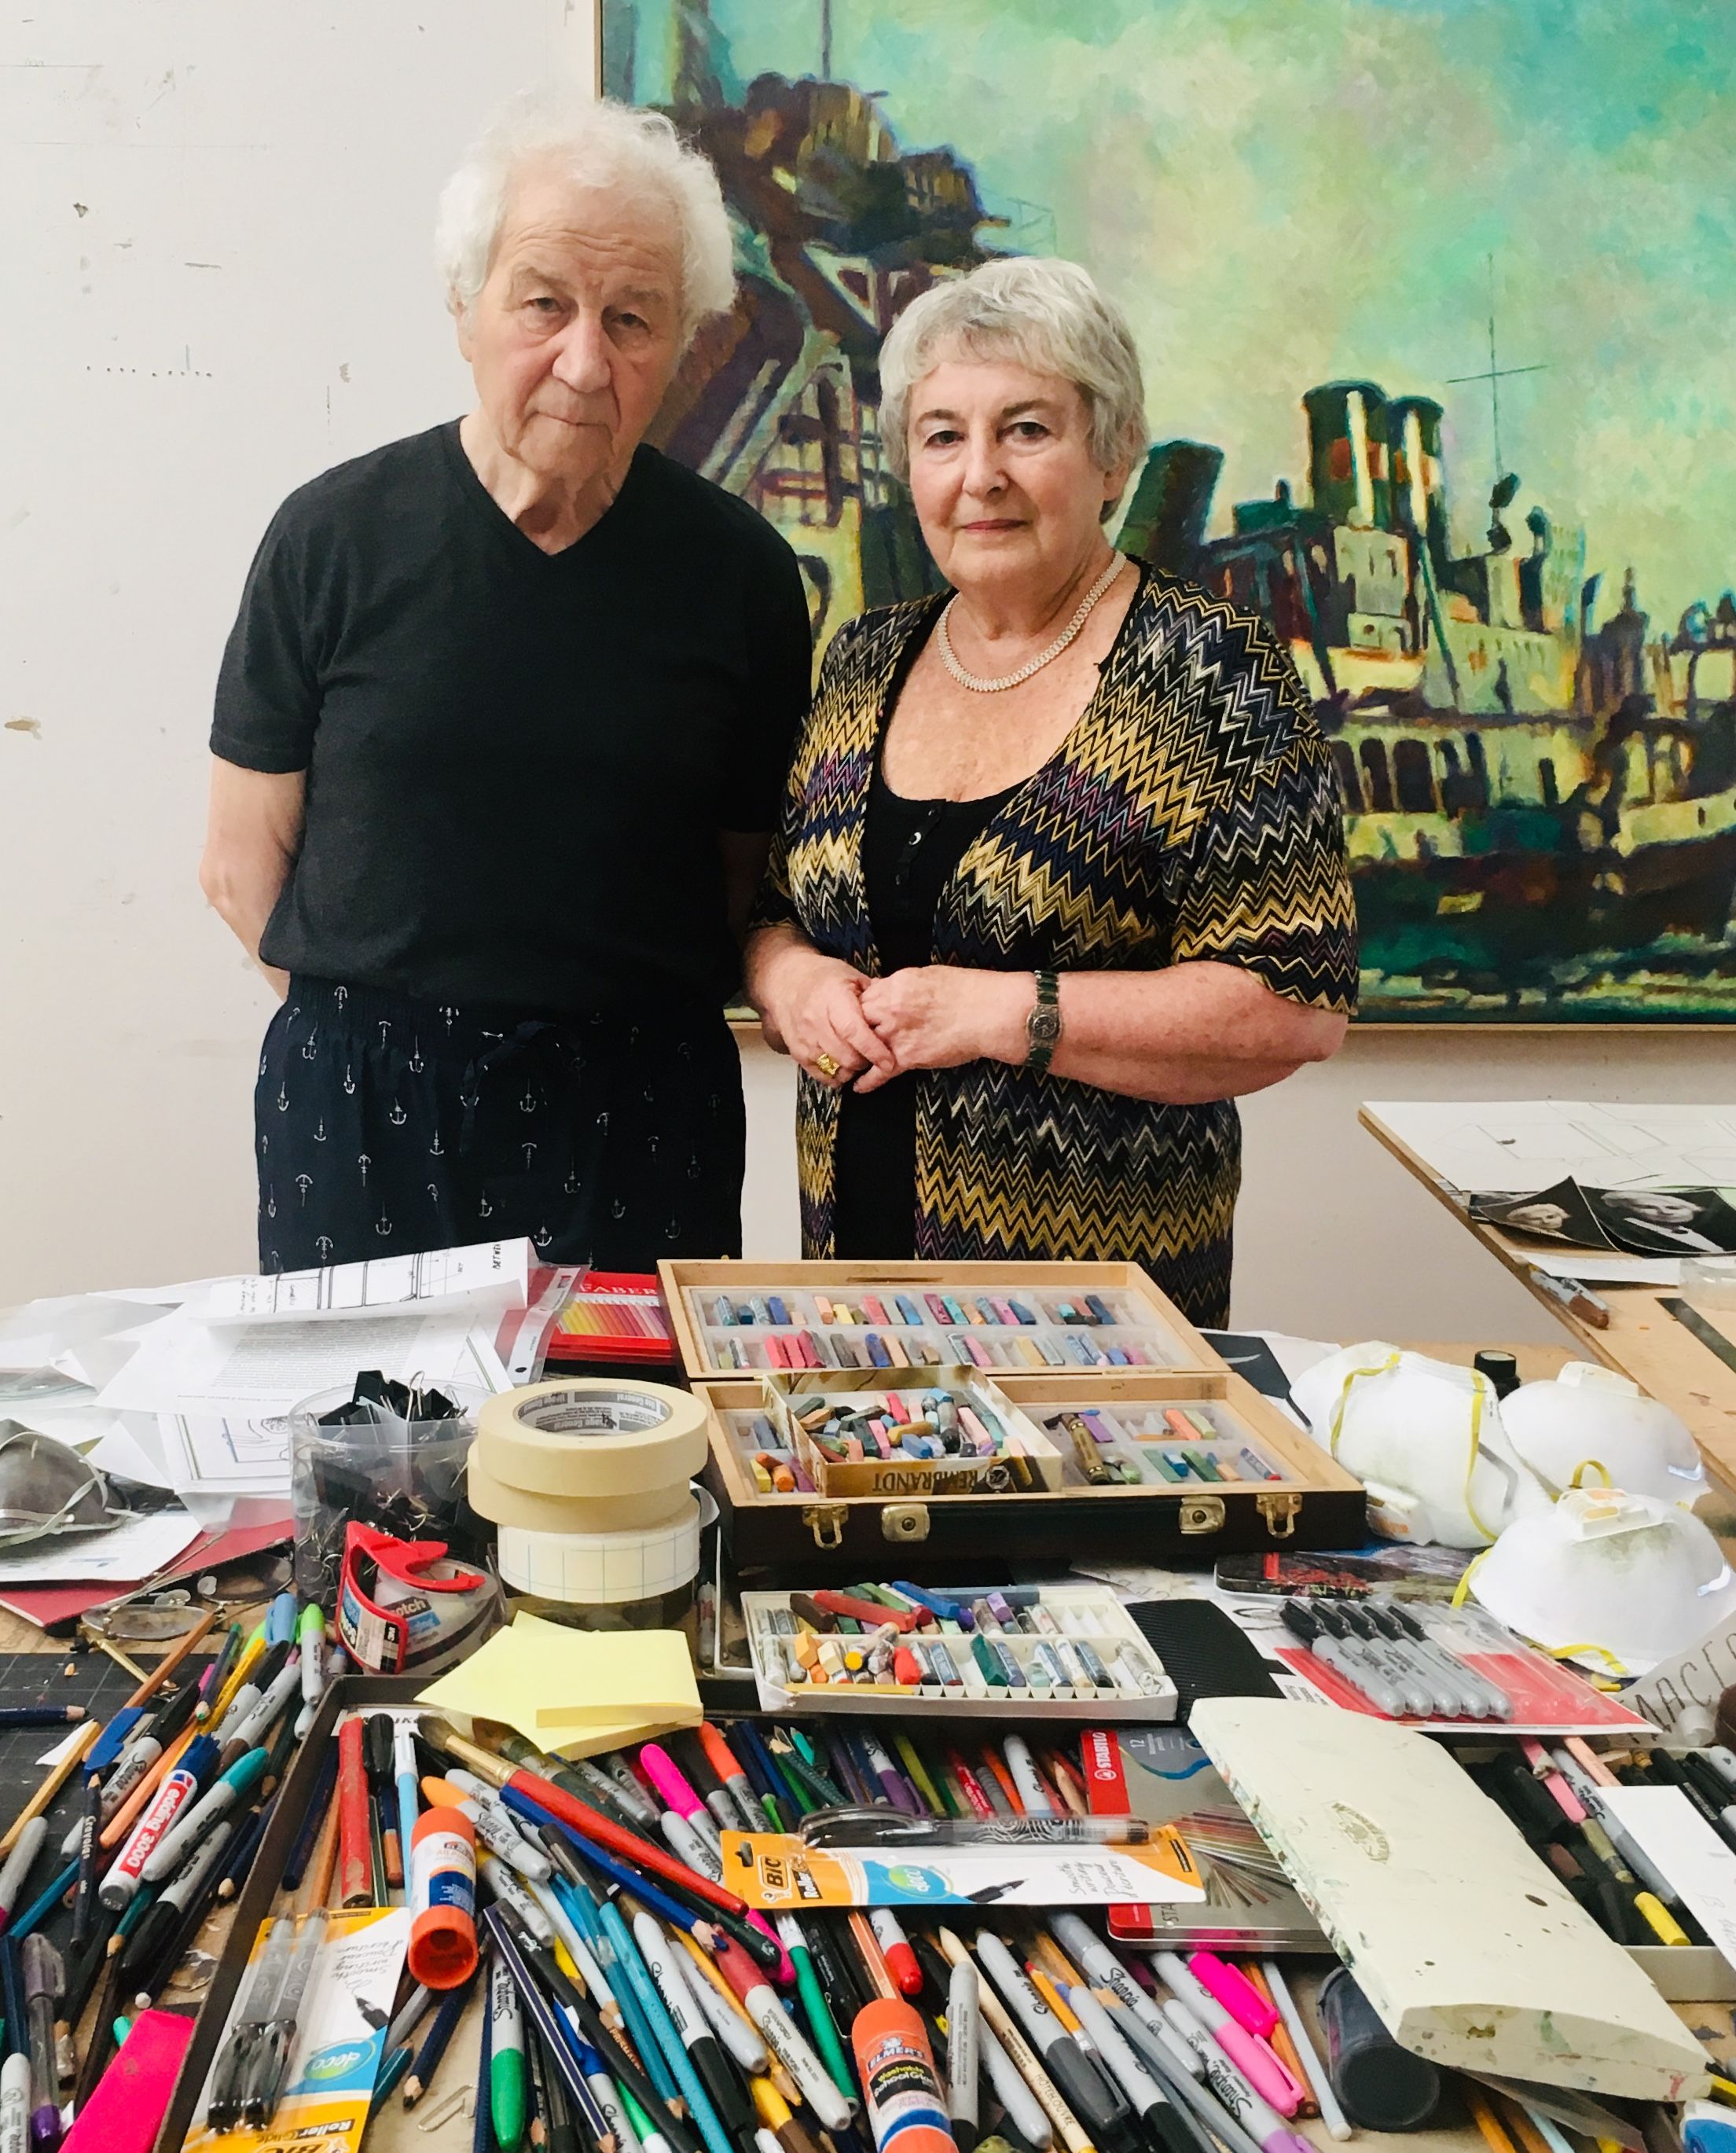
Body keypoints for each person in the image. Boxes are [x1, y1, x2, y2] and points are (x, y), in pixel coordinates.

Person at [200, 94, 811, 1273]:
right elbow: (239, 866)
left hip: (641, 1117)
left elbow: (737, 879)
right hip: (364, 1113)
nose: (585, 361)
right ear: (465, 307)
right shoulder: (332, 537)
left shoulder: (740, 575)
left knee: (628, 1400)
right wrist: (395, 1031)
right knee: (367, 1403)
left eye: (631, 318)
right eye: (544, 304)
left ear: (682, 344)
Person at [744, 258, 1356, 1324]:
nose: (979, 475)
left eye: (1025, 430)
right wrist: (790, 982)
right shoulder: (864, 659)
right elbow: (771, 910)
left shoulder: (1211, 673)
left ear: (1113, 455)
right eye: (942, 436)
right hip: (851, 1299)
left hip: (1096, 1334)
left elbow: (1293, 1006)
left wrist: (999, 1013)